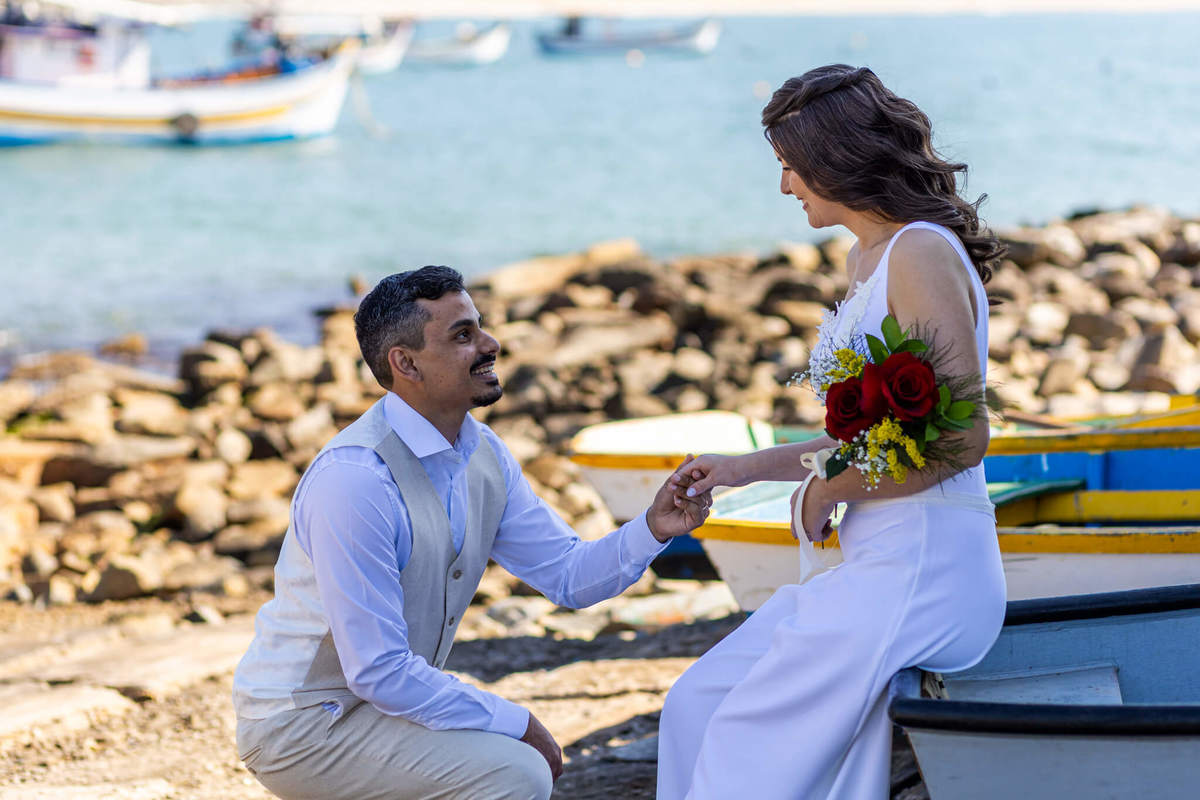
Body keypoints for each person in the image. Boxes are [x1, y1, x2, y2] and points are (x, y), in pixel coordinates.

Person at [656, 65, 1009, 799]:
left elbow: (960, 440)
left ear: (834, 159)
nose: (785, 188)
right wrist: (744, 469)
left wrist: (829, 490)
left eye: (789, 168)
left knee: (744, 744)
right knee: (697, 704)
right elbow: (881, 438)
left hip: (925, 565)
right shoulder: (868, 258)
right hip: (868, 560)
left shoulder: (919, 251)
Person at [232, 266, 712, 800]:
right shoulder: (355, 480)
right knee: (513, 771)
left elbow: (568, 576)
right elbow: (378, 671)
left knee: (503, 762)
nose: (491, 343)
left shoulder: (481, 452)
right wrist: (517, 721)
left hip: (380, 705)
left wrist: (652, 528)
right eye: (463, 335)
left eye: (479, 326)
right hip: (305, 722)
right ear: (405, 362)